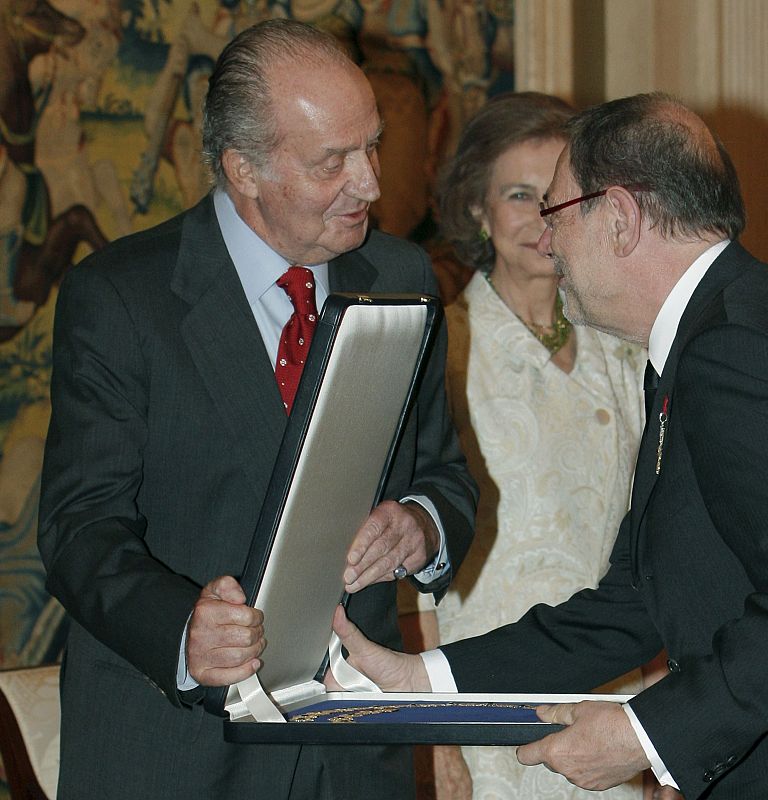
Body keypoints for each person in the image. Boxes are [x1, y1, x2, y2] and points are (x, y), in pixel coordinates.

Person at [332, 91, 768, 799]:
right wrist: (426, 679)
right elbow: (638, 598)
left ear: (620, 218)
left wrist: (647, 736)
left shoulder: (735, 351)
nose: (548, 241)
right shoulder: (710, 335)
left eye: (556, 213)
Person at [38, 19, 477, 800]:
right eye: (332, 161)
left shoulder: (401, 274)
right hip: (176, 751)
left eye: (372, 147)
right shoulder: (120, 299)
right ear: (243, 168)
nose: (371, 184)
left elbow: (444, 474)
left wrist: (421, 525)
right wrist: (183, 630)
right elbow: (80, 526)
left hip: (354, 751)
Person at [404, 91, 649, 799]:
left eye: (559, 195)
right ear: (476, 209)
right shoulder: (439, 349)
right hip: (482, 713)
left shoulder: (626, 350)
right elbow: (406, 565)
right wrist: (436, 739)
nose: (543, 218)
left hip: (614, 712)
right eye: (518, 196)